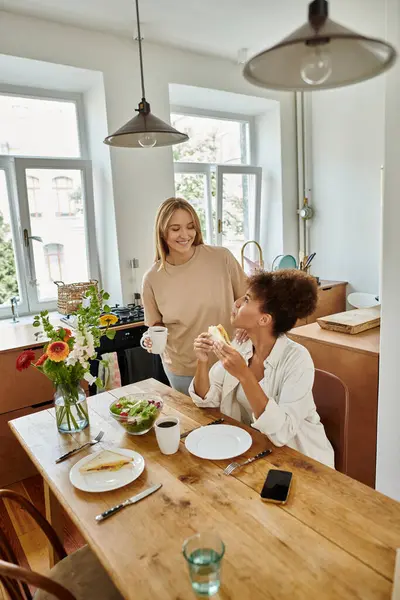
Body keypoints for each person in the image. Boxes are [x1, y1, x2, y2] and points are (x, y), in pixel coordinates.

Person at [190, 269, 335, 468]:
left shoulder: (298, 359)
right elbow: (207, 400)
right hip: (257, 453)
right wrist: (202, 360)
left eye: (247, 300)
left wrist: (244, 374)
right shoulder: (242, 344)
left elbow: (282, 432)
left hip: (302, 460)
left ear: (264, 320)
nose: (237, 303)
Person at [142, 197, 248, 395]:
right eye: (175, 229)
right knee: (196, 425)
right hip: (183, 370)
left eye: (190, 227)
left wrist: (248, 325)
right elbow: (155, 326)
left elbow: (249, 298)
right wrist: (150, 338)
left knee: (236, 422)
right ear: (162, 231)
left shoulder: (221, 258)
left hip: (229, 362)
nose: (185, 235)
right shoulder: (152, 278)